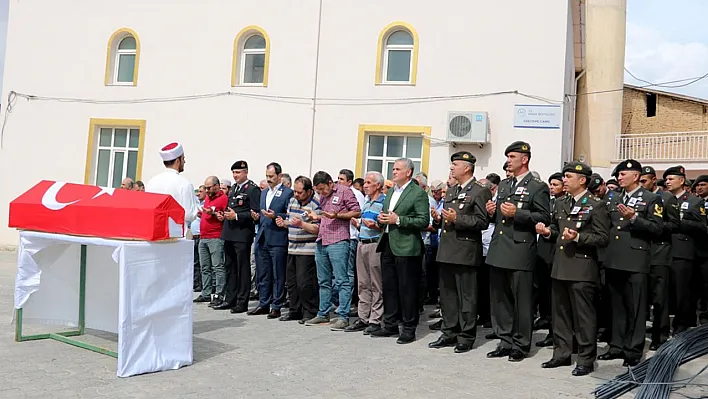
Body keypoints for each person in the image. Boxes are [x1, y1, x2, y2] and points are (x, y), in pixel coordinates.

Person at [537, 162, 609, 377]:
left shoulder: (596, 205)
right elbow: (556, 229)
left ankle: (586, 358)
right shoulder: (561, 203)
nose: (564, 180)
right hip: (560, 266)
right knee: (560, 314)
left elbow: (603, 238)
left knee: (583, 316)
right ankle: (562, 353)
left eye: (568, 176)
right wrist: (546, 231)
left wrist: (578, 237)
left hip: (581, 267)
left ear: (582, 180)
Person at [485, 141, 551, 362]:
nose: (508, 161)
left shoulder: (537, 186)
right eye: (507, 157)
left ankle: (521, 344)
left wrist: (518, 213)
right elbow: (499, 219)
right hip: (499, 249)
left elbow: (543, 217)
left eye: (512, 156)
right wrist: (492, 212)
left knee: (522, 301)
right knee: (500, 299)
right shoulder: (504, 185)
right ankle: (505, 340)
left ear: (524, 159)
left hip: (520, 249)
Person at [599, 159, 662, 367]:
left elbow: (657, 228)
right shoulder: (613, 198)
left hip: (636, 259)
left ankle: (633, 349)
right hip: (614, 258)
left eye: (623, 175)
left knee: (635, 306)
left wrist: (635, 218)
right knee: (615, 306)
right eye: (618, 175)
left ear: (635, 176)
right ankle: (616, 345)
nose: (619, 178)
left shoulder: (651, 198)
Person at [428, 151, 491, 353]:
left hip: (465, 251)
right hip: (447, 250)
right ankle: (449, 332)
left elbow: (482, 221)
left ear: (467, 167)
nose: (451, 168)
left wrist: (458, 219)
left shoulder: (479, 191)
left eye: (455, 164)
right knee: (447, 296)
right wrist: (439, 220)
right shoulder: (453, 189)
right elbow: (449, 220)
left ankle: (466, 335)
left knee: (467, 296)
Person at [371, 158, 429, 344]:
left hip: (407, 246)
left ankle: (409, 328)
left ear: (408, 172)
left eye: (397, 169)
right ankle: (390, 324)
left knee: (407, 289)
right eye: (393, 168)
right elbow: (389, 216)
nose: (393, 172)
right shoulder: (391, 192)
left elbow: (423, 221)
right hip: (388, 242)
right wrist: (382, 219)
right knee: (389, 286)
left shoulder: (417, 193)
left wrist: (398, 220)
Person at [213, 161, 261, 313]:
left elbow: (255, 213)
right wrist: (224, 215)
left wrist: (237, 216)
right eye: (233, 172)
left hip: (242, 233)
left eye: (238, 172)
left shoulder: (252, 189)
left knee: (242, 268)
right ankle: (230, 298)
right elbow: (231, 207)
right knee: (230, 267)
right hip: (229, 232)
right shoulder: (233, 188)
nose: (235, 175)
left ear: (246, 172)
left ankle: (242, 301)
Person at [249, 162, 293, 319]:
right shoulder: (264, 193)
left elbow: (291, 215)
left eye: (271, 176)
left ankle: (276, 305)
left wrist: (276, 216)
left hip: (277, 237)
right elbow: (262, 214)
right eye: (267, 176)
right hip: (262, 237)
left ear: (280, 176)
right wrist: (257, 217)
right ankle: (263, 303)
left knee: (277, 273)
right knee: (263, 273)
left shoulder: (288, 193)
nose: (268, 179)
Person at [275, 176, 321, 323]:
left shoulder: (316, 203)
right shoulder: (292, 201)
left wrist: (302, 224)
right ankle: (294, 310)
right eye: (295, 191)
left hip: (307, 249)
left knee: (305, 283)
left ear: (308, 191)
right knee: (292, 283)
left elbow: (317, 228)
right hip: (292, 247)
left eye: (299, 192)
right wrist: (284, 223)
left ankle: (310, 311)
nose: (296, 194)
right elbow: (291, 221)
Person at [145, 142, 199, 230]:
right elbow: (189, 214)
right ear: (177, 161)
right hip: (176, 234)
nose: (184, 161)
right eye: (183, 158)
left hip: (154, 229)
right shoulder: (184, 183)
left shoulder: (152, 181)